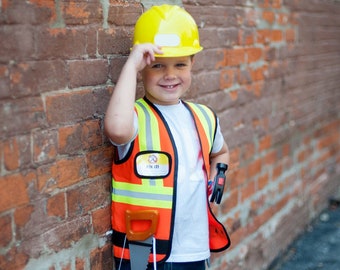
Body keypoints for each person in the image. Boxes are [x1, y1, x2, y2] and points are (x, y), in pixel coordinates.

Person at [104, 4, 230, 270]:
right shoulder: (135, 116)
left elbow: (220, 152)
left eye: (180, 64)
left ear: (192, 63)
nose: (170, 75)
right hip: (143, 251)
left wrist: (218, 174)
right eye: (158, 65)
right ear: (143, 69)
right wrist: (131, 65)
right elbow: (115, 129)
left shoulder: (204, 117)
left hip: (194, 248)